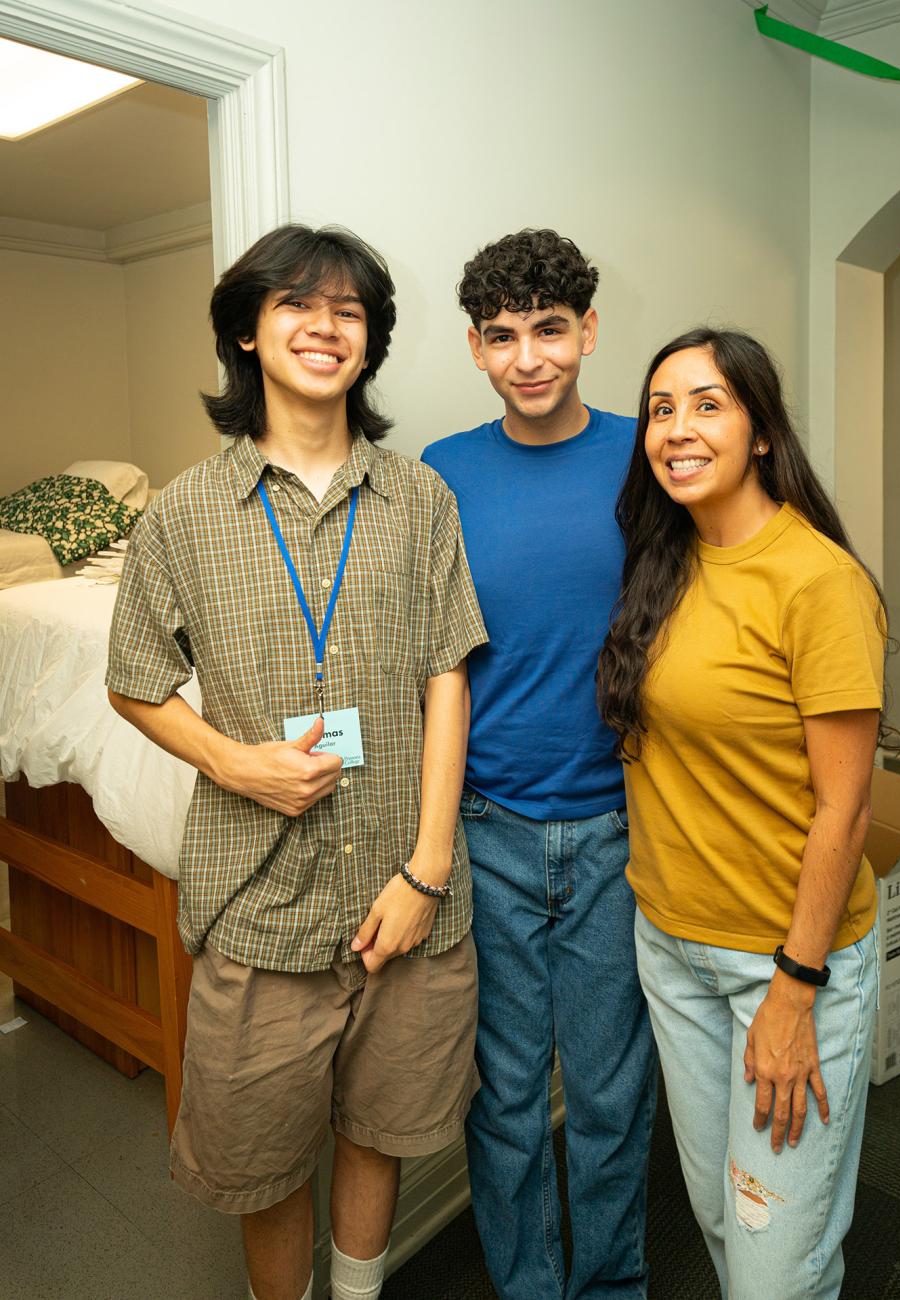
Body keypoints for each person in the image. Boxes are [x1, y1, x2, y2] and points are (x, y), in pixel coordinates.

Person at [106, 224, 487, 1300]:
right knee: (264, 1165)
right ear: (245, 331)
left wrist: (425, 870)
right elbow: (132, 679)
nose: (324, 326)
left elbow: (445, 679)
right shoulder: (181, 515)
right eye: (295, 304)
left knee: (379, 1130)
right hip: (260, 907)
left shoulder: (420, 500)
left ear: (367, 346)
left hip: (404, 902)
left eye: (348, 311)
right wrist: (232, 763)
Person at [598, 327, 889, 1299]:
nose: (675, 428)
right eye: (659, 407)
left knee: (775, 1265)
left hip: (785, 960)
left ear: (760, 430)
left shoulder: (817, 581)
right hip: (671, 945)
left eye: (706, 404)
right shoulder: (662, 558)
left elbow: (844, 811)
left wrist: (795, 989)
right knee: (724, 1220)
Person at [422, 229, 657, 1300]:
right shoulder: (443, 473)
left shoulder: (642, 457)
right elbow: (423, 654)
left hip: (619, 824)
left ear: (587, 333)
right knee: (506, 1095)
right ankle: (527, 1286)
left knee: (609, 1094)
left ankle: (607, 1283)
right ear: (475, 347)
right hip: (488, 830)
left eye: (549, 330)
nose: (528, 357)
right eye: (502, 335)